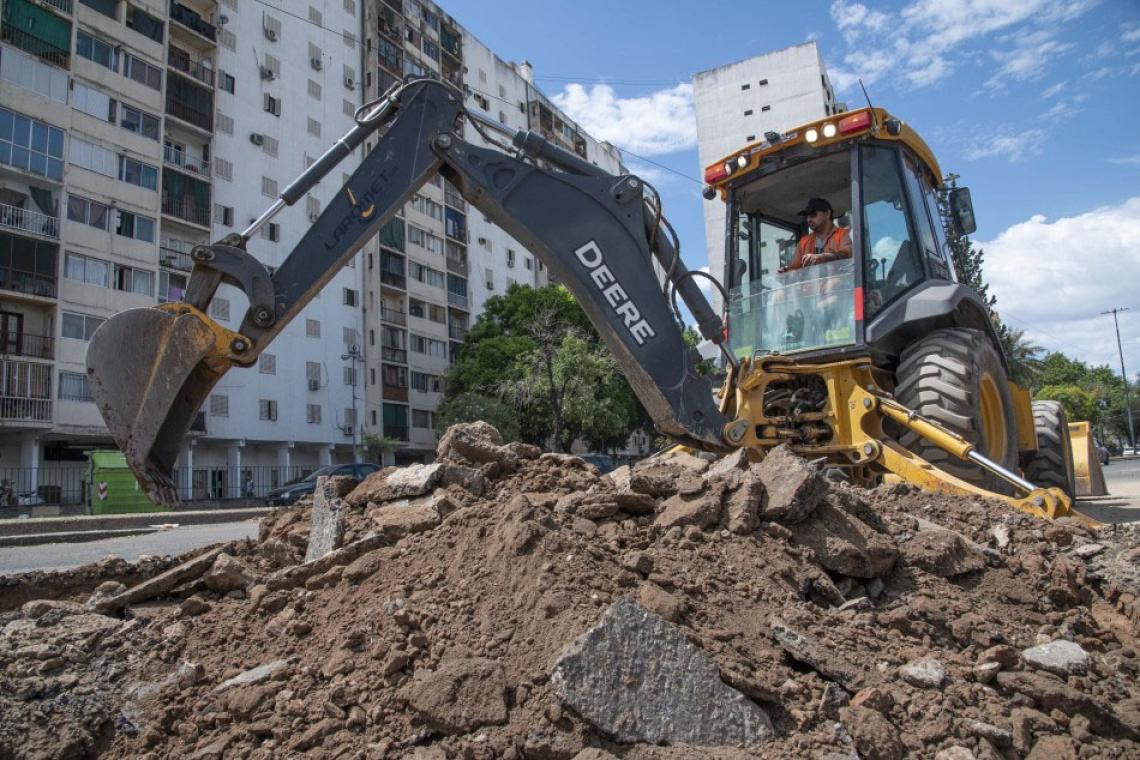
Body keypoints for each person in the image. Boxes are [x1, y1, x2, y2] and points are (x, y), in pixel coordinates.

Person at [779, 197, 852, 272]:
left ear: (827, 213)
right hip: (812, 283)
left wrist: (821, 257)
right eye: (806, 216)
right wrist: (786, 272)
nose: (808, 220)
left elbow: (847, 255)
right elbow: (796, 269)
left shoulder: (843, 234)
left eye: (813, 215)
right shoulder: (803, 242)